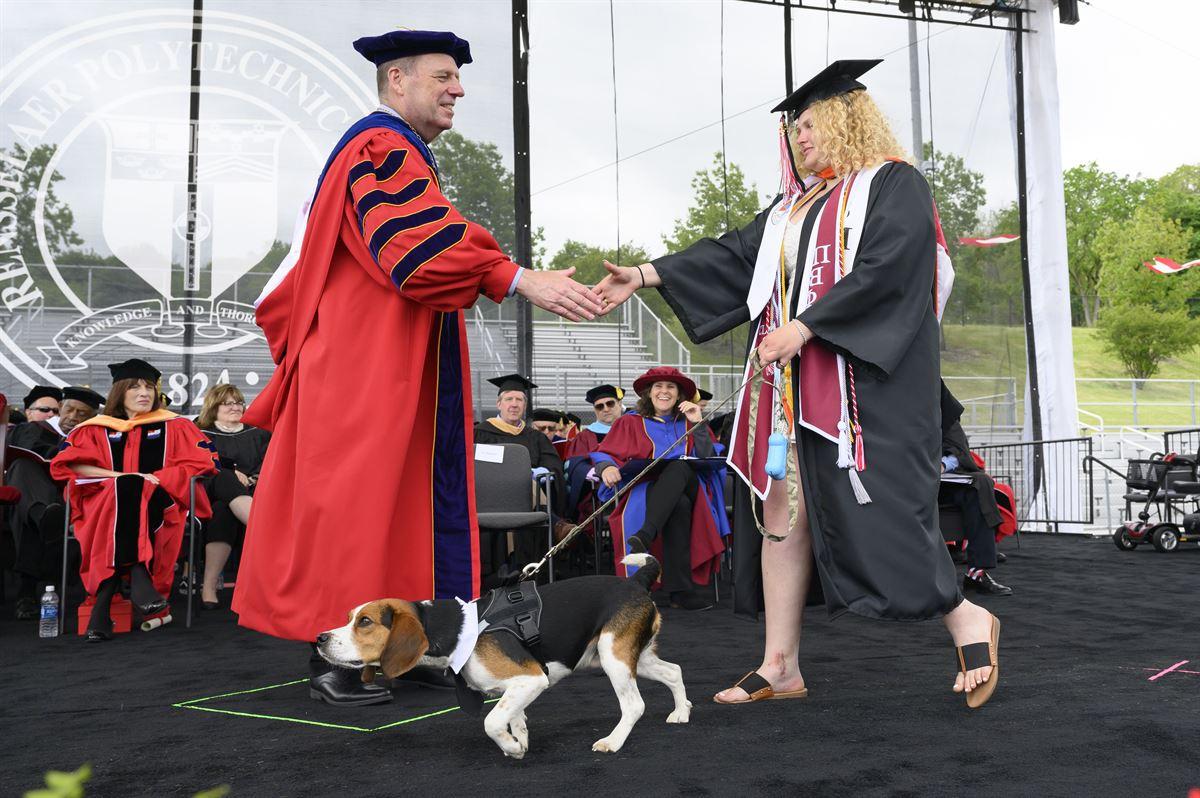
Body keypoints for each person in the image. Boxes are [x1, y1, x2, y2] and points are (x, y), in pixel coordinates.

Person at [593, 60, 1001, 708]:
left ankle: (966, 617)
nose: (799, 137)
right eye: (795, 128)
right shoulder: (794, 207)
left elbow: (891, 266)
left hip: (858, 387)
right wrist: (643, 274)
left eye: (811, 124)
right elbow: (731, 254)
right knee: (780, 509)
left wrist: (806, 327)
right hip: (785, 384)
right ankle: (780, 663)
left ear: (847, 120)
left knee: (885, 511)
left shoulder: (893, 185)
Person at [233, 29, 603, 705]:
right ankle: (341, 661)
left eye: (456, 78)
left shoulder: (390, 150)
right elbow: (415, 251)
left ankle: (391, 652)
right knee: (358, 510)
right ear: (396, 80)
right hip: (364, 367)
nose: (457, 88)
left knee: (389, 509)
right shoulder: (381, 146)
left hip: (377, 361)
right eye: (442, 76)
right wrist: (515, 276)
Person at [50, 360, 217, 642]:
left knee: (129, 493)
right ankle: (138, 576)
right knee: (126, 487)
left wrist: (155, 479)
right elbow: (73, 466)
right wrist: (127, 476)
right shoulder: (94, 428)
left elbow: (202, 464)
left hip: (159, 500)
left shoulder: (174, 426)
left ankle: (101, 609)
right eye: (135, 387)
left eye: (149, 387)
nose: (144, 393)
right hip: (104, 502)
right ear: (120, 392)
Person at [591, 367, 728, 610]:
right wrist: (605, 468)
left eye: (670, 387)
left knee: (679, 468)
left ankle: (645, 534)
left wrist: (698, 422)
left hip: (692, 486)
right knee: (679, 506)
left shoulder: (690, 421)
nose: (664, 391)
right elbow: (605, 453)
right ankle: (680, 591)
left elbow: (708, 458)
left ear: (679, 395)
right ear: (649, 393)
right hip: (650, 488)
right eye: (658, 386)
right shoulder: (629, 422)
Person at [7, 386, 104, 619]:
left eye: (82, 414)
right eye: (69, 409)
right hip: (36, 492)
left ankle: (26, 594)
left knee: (35, 512)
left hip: (72, 498)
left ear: (92, 418)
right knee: (22, 468)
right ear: (60, 408)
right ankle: (44, 516)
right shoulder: (32, 429)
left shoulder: (94, 438)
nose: (73, 417)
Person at [196, 384, 270, 610]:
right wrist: (229, 471)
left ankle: (208, 586)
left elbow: (271, 463)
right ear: (213, 406)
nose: (235, 407)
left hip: (253, 493)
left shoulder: (258, 432)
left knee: (223, 512)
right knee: (224, 478)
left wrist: (255, 478)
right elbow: (197, 462)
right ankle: (268, 529)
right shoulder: (199, 432)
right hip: (209, 492)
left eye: (238, 402)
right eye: (227, 403)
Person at [939, 384, 1012, 596]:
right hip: (908, 480)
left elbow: (960, 451)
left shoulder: (946, 416)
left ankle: (976, 573)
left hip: (942, 482)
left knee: (981, 484)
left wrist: (942, 465)